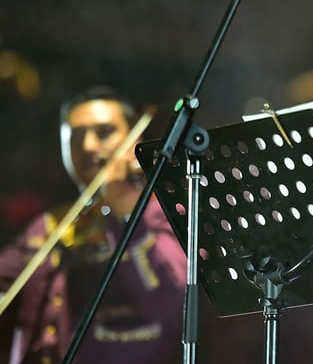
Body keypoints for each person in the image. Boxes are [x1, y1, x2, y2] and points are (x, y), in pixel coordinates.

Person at [0, 87, 187, 364]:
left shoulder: (168, 216)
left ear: (134, 139)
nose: (88, 146)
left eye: (104, 132)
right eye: (75, 137)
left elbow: (171, 304)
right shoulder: (52, 225)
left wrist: (126, 216)